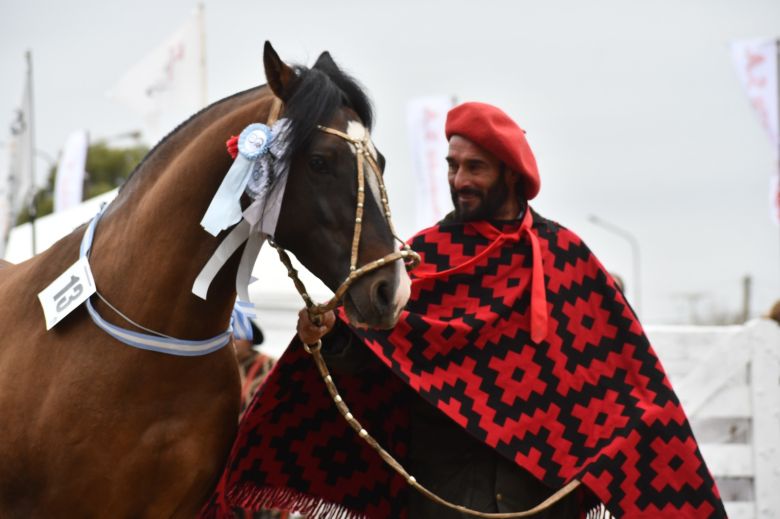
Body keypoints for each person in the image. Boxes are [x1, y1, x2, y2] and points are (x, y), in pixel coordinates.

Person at [204, 103, 726, 518]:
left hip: (539, 504)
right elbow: (371, 356)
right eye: (453, 166)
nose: (460, 180)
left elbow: (626, 393)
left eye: (475, 167)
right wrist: (328, 339)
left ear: (510, 172)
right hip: (442, 501)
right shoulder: (421, 259)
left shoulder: (567, 261)